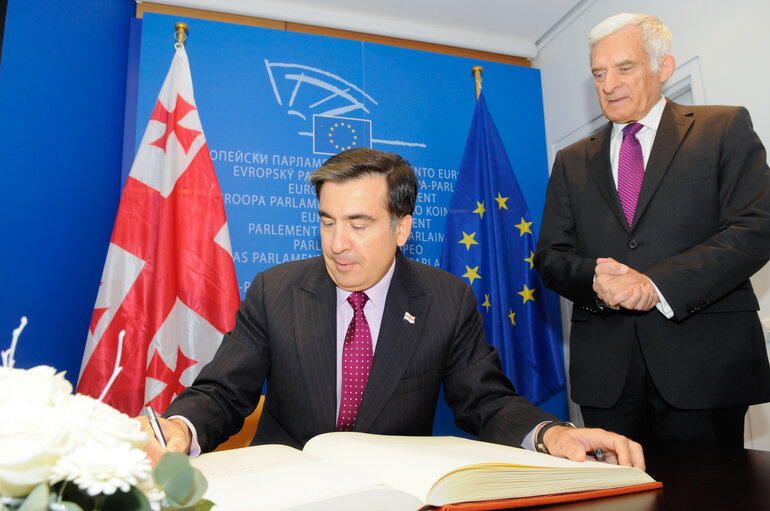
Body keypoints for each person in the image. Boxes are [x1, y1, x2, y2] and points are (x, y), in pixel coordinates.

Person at [139, 147, 644, 468]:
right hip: (286, 490)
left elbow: (486, 403)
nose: (337, 243)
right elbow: (223, 392)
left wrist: (554, 434)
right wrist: (182, 428)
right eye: (327, 221)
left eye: (359, 224)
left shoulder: (446, 299)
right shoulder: (276, 290)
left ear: (401, 228)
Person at [535, 13, 770, 447]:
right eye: (599, 73)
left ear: (663, 68)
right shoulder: (571, 161)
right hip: (607, 378)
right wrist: (594, 278)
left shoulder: (723, 128)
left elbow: (755, 228)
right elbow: (550, 256)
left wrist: (656, 284)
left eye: (624, 68)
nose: (608, 84)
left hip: (705, 366)